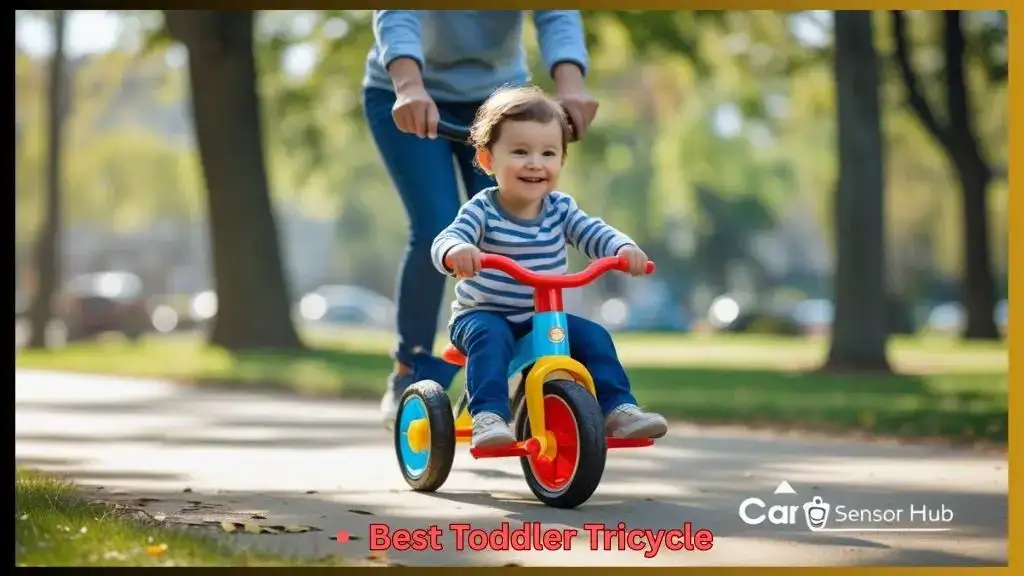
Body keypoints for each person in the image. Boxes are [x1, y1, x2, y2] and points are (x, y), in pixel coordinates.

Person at [362, 10, 601, 426]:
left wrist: (571, 87)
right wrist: (408, 84)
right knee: (440, 226)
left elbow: (556, 14)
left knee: (516, 218)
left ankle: (508, 368)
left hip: (499, 96)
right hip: (409, 91)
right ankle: (411, 367)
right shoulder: (406, 84)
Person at [430, 85, 669, 449]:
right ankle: (489, 417)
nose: (535, 163)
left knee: (593, 337)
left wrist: (622, 248)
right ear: (487, 159)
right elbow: (446, 239)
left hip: (540, 317)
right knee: (490, 338)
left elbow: (592, 231)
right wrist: (458, 251)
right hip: (481, 315)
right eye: (520, 151)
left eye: (548, 153)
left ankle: (618, 410)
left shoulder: (560, 209)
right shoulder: (482, 210)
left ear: (561, 162)